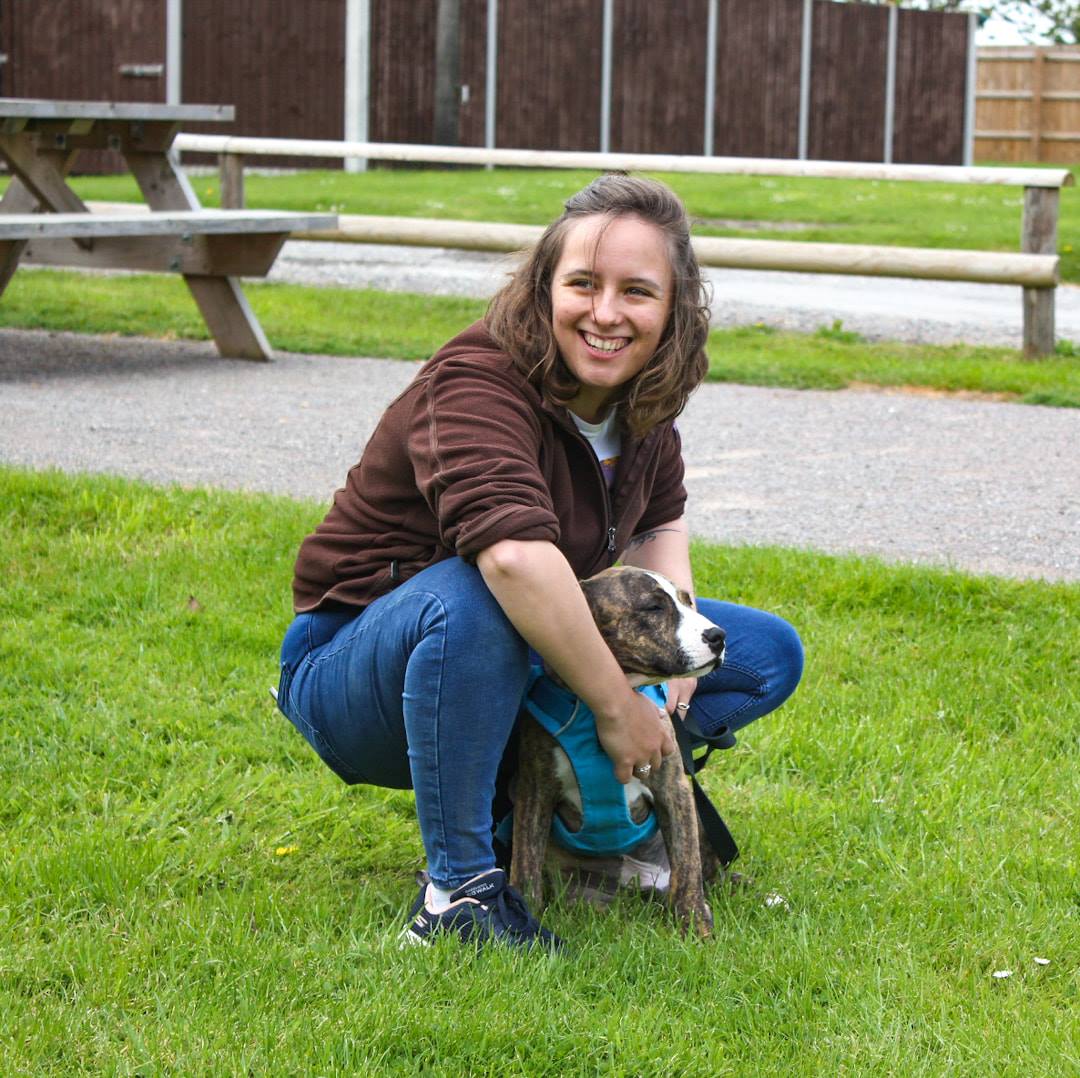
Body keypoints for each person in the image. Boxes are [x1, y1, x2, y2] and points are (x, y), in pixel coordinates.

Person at [276, 173, 803, 951]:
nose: (605, 313)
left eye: (637, 291)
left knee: (761, 655)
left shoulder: (642, 402)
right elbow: (518, 561)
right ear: (543, 286)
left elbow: (660, 529)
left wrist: (676, 666)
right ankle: (457, 893)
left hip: (510, 660)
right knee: (477, 590)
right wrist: (621, 709)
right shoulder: (476, 381)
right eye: (583, 284)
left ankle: (579, 824)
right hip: (358, 674)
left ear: (674, 308)